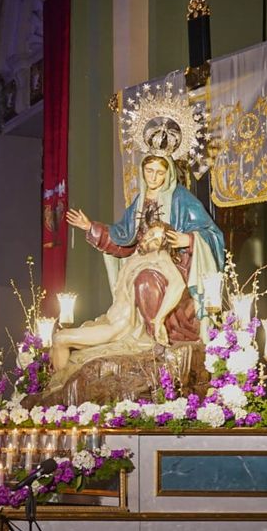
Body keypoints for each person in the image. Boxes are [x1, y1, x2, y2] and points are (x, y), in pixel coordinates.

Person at [65, 153, 224, 346]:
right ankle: (144, 332)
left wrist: (189, 239)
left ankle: (159, 332)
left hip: (176, 263)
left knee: (146, 280)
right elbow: (123, 236)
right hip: (142, 259)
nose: (154, 177)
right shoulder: (139, 201)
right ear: (142, 171)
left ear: (168, 174)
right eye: (149, 171)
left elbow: (212, 233)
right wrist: (90, 227)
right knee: (137, 280)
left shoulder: (181, 197)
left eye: (160, 172)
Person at [50, 219, 188, 374]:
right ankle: (59, 389)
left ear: (163, 246)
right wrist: (90, 227)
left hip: (119, 327)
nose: (149, 240)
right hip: (108, 319)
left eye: (156, 240)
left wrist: (159, 319)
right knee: (64, 349)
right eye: (150, 234)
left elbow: (178, 284)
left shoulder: (159, 255)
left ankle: (58, 388)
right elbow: (117, 240)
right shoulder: (136, 257)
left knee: (60, 339)